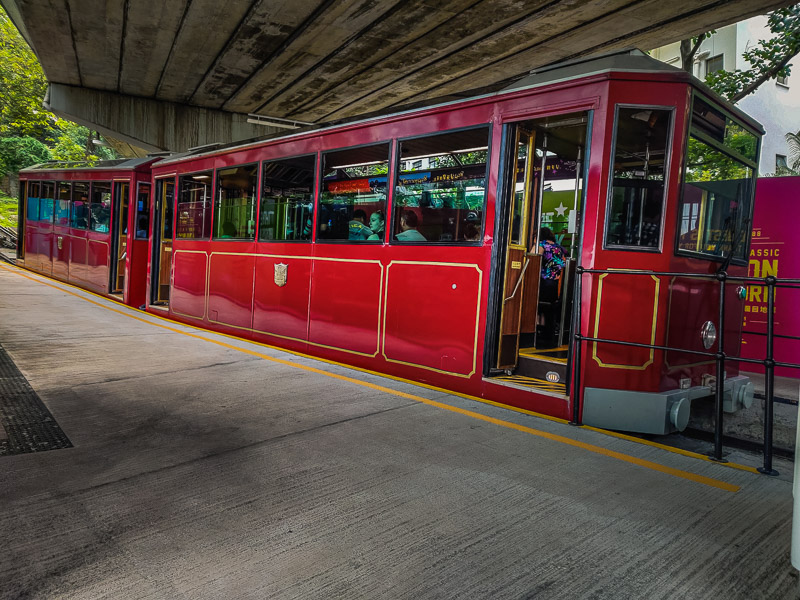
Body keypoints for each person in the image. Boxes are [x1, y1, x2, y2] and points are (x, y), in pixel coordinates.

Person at [537, 227, 566, 345]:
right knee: (549, 308)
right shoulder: (559, 248)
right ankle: (548, 332)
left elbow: (534, 260)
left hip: (545, 283)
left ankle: (538, 328)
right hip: (558, 285)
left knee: (532, 300)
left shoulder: (542, 245)